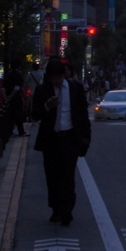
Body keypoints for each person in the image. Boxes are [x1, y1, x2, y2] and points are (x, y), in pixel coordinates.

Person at [32, 59, 91, 227]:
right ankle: (56, 208)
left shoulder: (75, 88)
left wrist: (86, 136)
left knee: (68, 175)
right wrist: (46, 106)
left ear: (64, 74)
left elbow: (82, 113)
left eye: (58, 77)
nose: (56, 81)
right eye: (53, 78)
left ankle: (67, 210)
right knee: (52, 175)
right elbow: (34, 115)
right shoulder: (42, 90)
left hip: (69, 137)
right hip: (51, 139)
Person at [3, 59, 28, 138]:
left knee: (9, 115)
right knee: (18, 114)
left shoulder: (7, 75)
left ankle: (10, 131)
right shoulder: (18, 75)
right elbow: (17, 87)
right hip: (16, 97)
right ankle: (21, 131)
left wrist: (6, 97)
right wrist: (11, 96)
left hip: (8, 97)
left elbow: (3, 88)